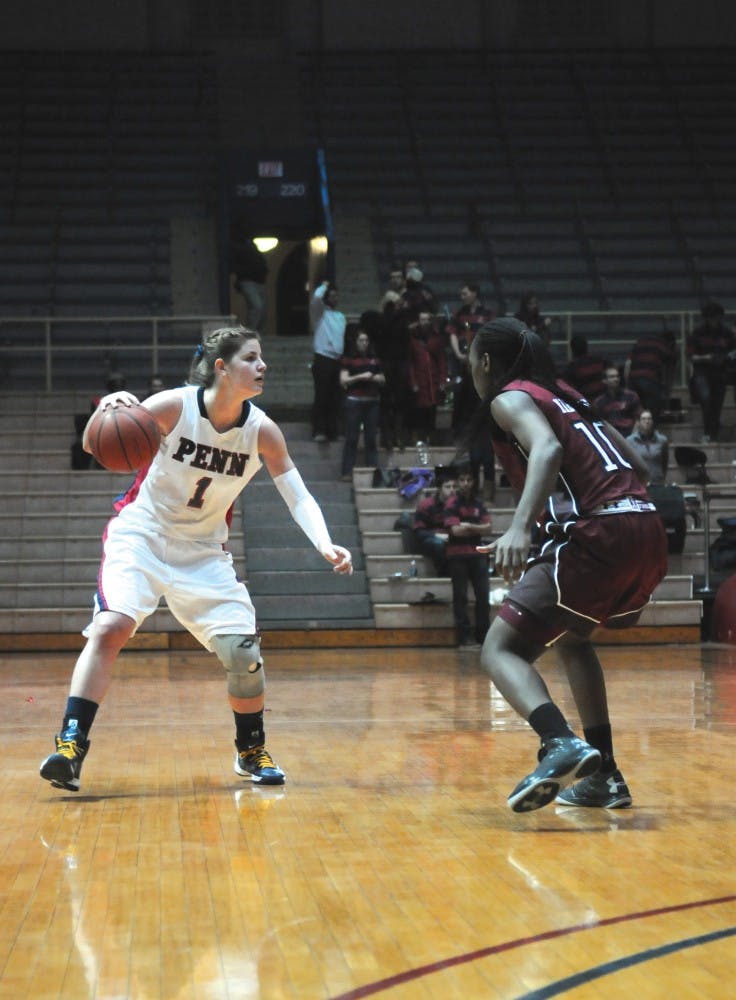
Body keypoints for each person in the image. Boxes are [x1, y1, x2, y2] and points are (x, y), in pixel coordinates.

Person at [39, 326, 353, 794]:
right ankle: (70, 745)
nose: (262, 365)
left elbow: (297, 493)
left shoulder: (262, 430)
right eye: (251, 358)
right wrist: (110, 405)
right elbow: (93, 444)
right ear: (222, 367)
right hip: (143, 535)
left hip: (204, 551)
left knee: (243, 655)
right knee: (110, 627)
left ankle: (250, 751)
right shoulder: (175, 405)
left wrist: (324, 542)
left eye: (262, 357)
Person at [467, 317, 667, 812]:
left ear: (486, 363)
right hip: (646, 525)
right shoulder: (571, 397)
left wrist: (519, 526)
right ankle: (608, 777)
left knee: (499, 650)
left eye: (470, 361)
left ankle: (558, 741)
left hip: (598, 531)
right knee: (574, 639)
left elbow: (549, 449)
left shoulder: (509, 398)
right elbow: (640, 467)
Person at [443, 464, 492, 648]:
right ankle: (463, 638)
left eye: (468, 480)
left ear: (473, 482)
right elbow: (455, 531)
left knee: (483, 596)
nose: (465, 483)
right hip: (457, 555)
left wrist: (468, 526)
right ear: (457, 482)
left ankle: (484, 637)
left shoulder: (479, 504)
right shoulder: (452, 503)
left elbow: (489, 528)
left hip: (478, 553)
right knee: (460, 597)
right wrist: (476, 528)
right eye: (462, 480)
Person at [445, 282, 496, 439]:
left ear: (475, 293)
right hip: (463, 364)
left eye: (465, 293)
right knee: (461, 398)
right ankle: (460, 432)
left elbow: (492, 335)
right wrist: (459, 353)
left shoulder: (487, 314)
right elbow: (452, 333)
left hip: (480, 365)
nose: (462, 297)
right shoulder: (459, 314)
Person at [339, 326, 385, 480]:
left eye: (366, 340)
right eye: (361, 340)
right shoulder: (348, 359)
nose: (364, 343)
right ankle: (346, 472)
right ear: (356, 342)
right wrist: (360, 377)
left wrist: (374, 378)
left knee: (371, 439)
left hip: (372, 402)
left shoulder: (375, 359)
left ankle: (373, 473)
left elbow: (382, 378)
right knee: (351, 438)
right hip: (354, 402)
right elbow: (344, 380)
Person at [686, 301, 736, 443]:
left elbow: (733, 350)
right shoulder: (698, 333)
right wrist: (706, 358)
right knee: (706, 399)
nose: (715, 320)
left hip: (720, 373)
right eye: (712, 317)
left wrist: (727, 357)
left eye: (717, 317)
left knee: (717, 404)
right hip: (702, 372)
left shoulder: (726, 333)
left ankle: (713, 431)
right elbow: (690, 356)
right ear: (706, 318)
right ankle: (708, 431)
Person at [310, 280, 346, 443]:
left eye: (337, 296)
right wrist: (324, 286)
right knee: (322, 396)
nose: (335, 298)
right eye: (332, 295)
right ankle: (319, 430)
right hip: (323, 358)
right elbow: (316, 299)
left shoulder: (340, 316)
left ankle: (333, 431)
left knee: (335, 397)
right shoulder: (319, 314)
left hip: (337, 359)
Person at [407, 309, 447, 445]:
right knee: (419, 411)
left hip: (433, 380)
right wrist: (413, 382)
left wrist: (442, 379)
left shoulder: (436, 337)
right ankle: (419, 439)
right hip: (419, 380)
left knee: (432, 410)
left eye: (427, 319)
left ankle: (432, 439)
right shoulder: (413, 338)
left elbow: (441, 360)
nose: (424, 322)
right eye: (422, 319)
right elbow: (410, 363)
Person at [411, 468, 457, 576]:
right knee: (438, 544)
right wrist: (437, 536)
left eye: (454, 487)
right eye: (447, 487)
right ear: (439, 489)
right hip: (431, 540)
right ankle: (444, 574)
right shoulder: (426, 505)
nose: (452, 490)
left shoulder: (459, 505)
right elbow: (418, 532)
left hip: (453, 538)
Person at [624, 328, 676, 421]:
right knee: (652, 414)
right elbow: (669, 374)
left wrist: (627, 386)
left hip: (633, 380)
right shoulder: (665, 347)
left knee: (635, 412)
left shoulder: (640, 342)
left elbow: (628, 363)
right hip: (650, 381)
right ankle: (650, 433)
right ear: (671, 343)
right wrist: (667, 395)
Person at [230, 231, 268, 333]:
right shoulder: (238, 247)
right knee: (257, 306)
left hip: (259, 280)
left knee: (262, 309)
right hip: (247, 280)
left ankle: (258, 332)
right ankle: (250, 332)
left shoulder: (252, 246)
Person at [594, 365, 642, 437]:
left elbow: (639, 418)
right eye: (612, 377)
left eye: (617, 376)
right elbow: (599, 423)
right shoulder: (599, 402)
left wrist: (633, 436)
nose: (616, 379)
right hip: (612, 437)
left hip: (630, 435)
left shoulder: (631, 396)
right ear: (604, 381)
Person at [626, 410, 669, 485]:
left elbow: (664, 463)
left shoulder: (662, 440)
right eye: (643, 419)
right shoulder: (630, 441)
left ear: (652, 421)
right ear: (638, 422)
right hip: (638, 483)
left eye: (649, 419)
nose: (647, 421)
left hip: (657, 482)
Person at [560, 334, 607, 401]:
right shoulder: (599, 360)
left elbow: (569, 390)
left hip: (585, 402)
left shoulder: (571, 368)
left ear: (572, 349)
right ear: (586, 346)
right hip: (602, 399)